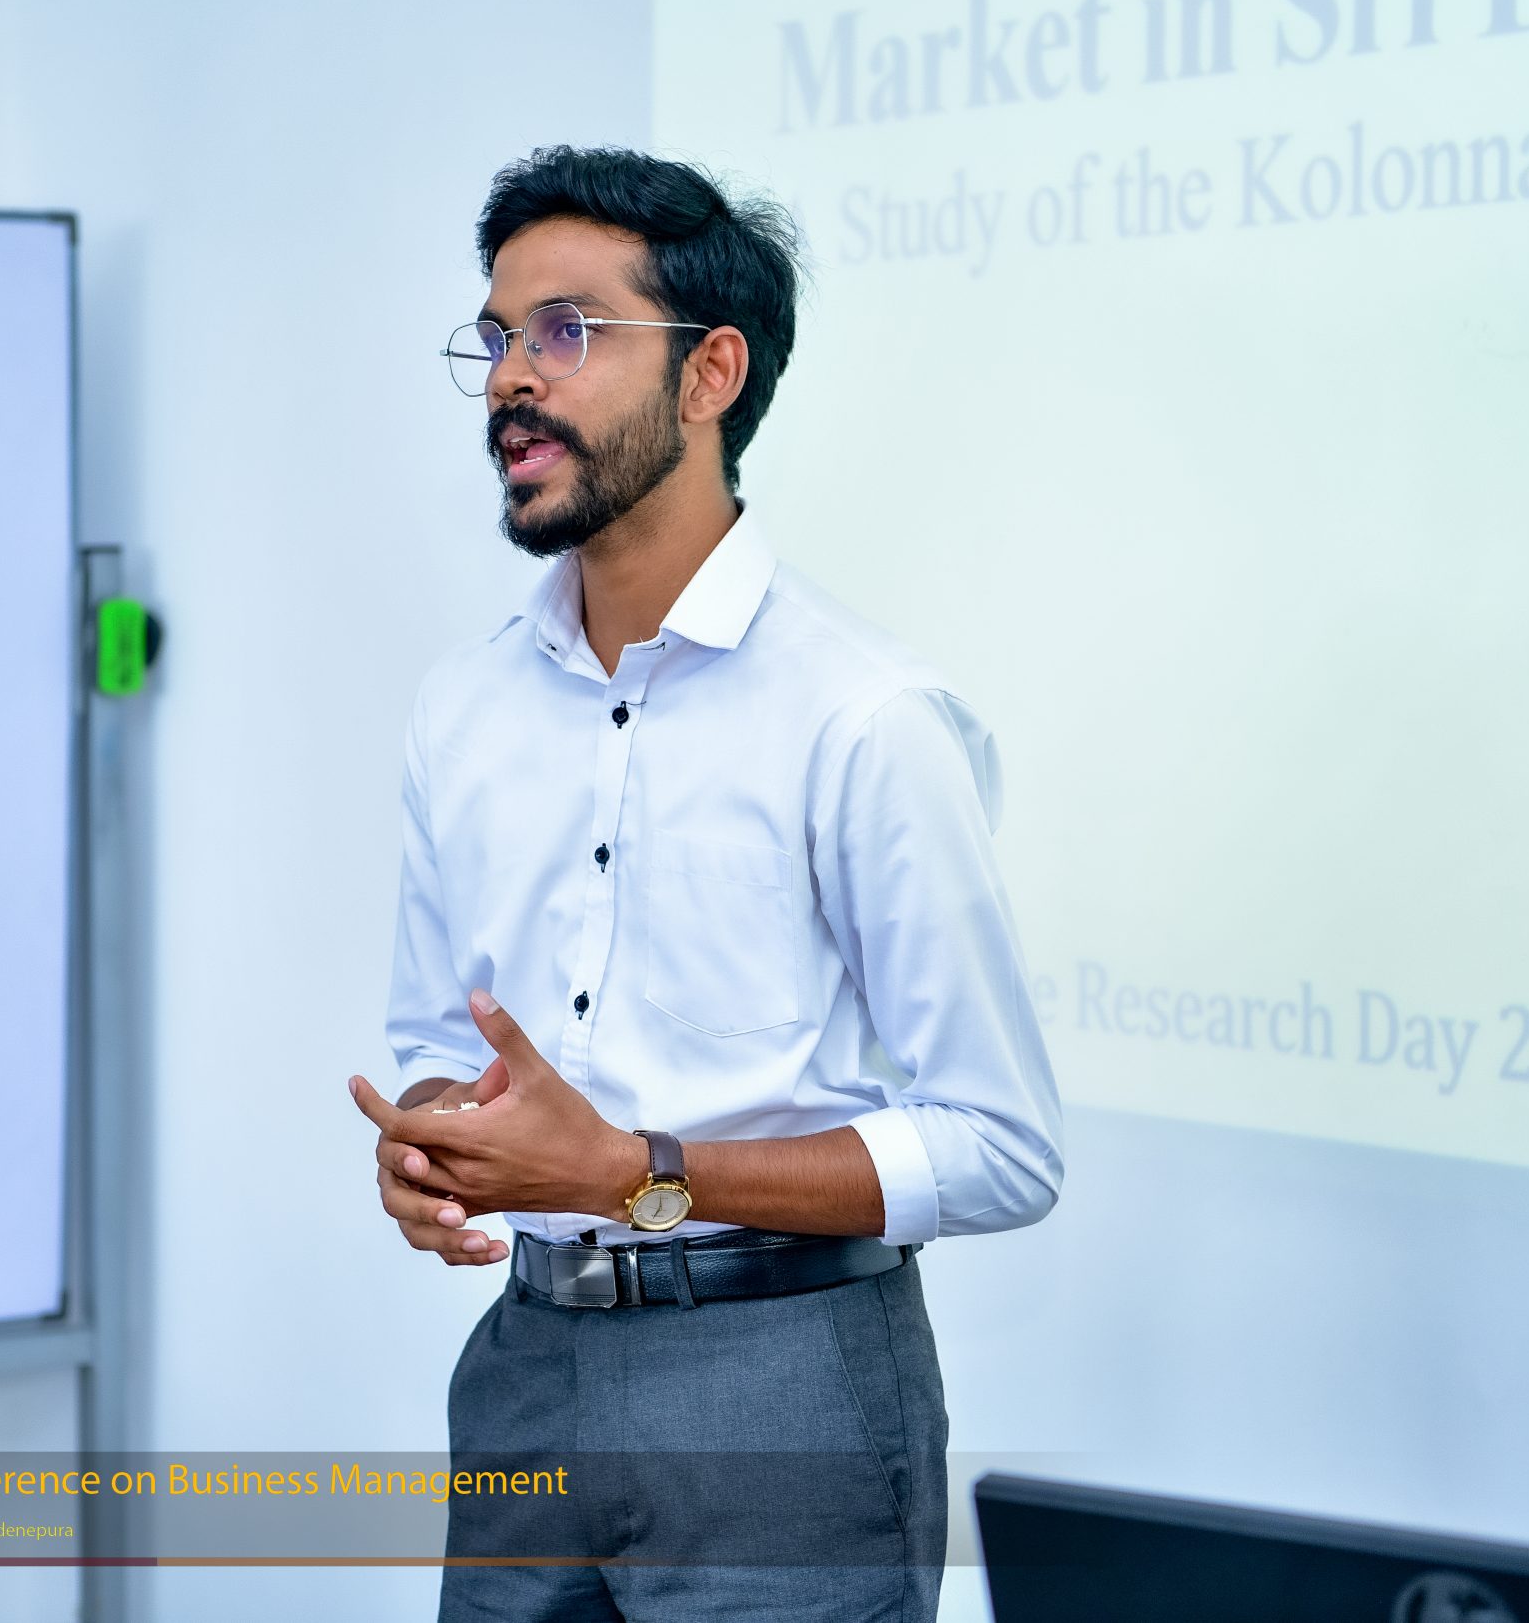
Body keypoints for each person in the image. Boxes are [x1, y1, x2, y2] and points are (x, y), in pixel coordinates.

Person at [346, 145, 1065, 1622]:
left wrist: (635, 1172)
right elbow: (433, 1037)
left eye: (566, 331)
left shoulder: (863, 716)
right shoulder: (462, 707)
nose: (509, 379)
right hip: (525, 1375)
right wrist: (434, 1139)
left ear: (710, 373)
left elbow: (1001, 1148)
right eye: (496, 336)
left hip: (781, 1386)